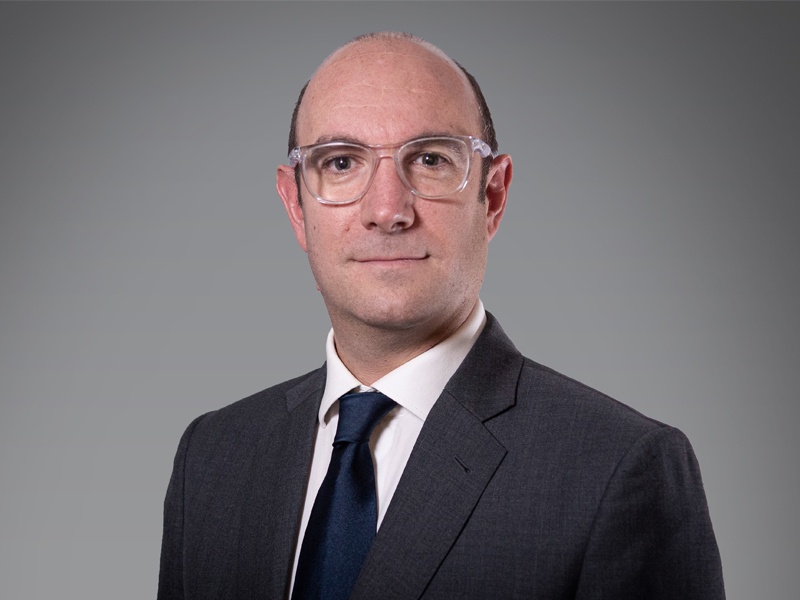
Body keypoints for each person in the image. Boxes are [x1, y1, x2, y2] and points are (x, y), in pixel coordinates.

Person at [158, 32, 725, 599]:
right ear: (295, 204)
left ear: (493, 195)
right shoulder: (212, 457)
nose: (387, 210)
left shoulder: (617, 468)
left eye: (430, 160)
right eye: (342, 162)